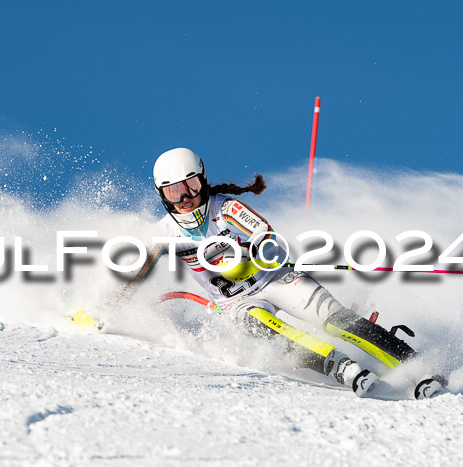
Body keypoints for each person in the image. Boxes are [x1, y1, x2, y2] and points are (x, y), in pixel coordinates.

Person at [133, 147, 445, 398]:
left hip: (275, 279)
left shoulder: (226, 209)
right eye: (175, 192)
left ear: (203, 179)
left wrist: (257, 251)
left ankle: (417, 366)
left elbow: (265, 233)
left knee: (337, 320)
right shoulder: (164, 234)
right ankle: (343, 367)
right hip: (236, 303)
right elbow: (134, 274)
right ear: (163, 196)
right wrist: (104, 307)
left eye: (192, 186)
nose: (186, 199)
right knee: (264, 327)